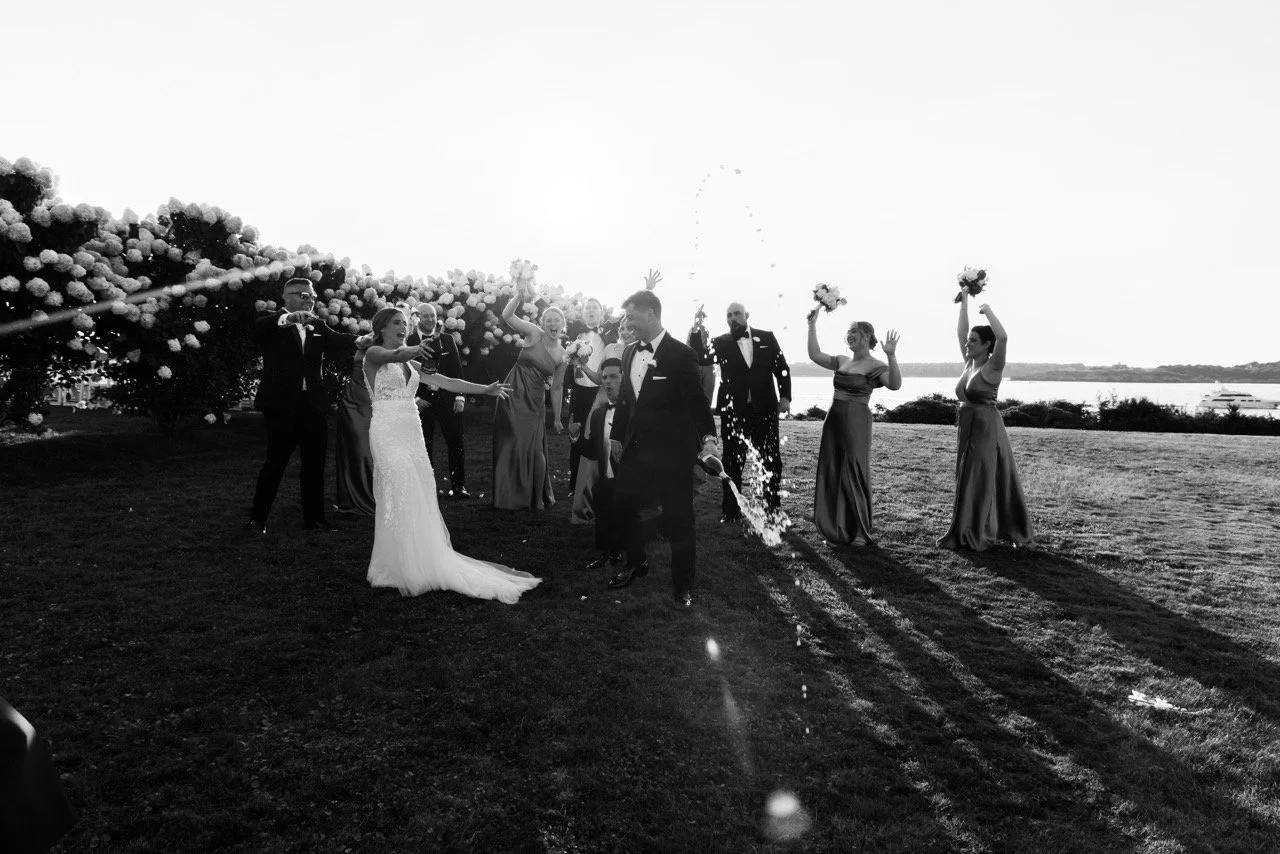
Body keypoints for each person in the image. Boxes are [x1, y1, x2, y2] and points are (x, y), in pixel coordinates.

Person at [362, 307, 538, 601]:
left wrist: (486, 388)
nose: (403, 327)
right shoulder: (373, 354)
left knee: (419, 491)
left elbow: (447, 382)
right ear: (381, 327)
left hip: (411, 431)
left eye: (406, 323)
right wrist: (417, 347)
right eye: (397, 323)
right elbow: (393, 356)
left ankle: (420, 559)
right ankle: (395, 563)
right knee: (398, 490)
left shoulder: (413, 366)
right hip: (387, 431)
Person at [606, 271, 719, 607]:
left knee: (679, 519)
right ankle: (636, 561)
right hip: (637, 450)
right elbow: (626, 400)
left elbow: (698, 404)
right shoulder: (627, 353)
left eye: (631, 316)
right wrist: (615, 437)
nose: (627, 323)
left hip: (673, 453)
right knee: (623, 504)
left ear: (651, 313)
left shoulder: (681, 355)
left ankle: (682, 585)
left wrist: (709, 439)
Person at [248, 277, 368, 534]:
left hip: (313, 405)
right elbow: (260, 328)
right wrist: (290, 319)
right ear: (287, 296)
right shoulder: (271, 321)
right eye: (304, 296)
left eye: (312, 297)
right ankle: (257, 518)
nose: (310, 300)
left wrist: (363, 340)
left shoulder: (318, 325)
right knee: (275, 462)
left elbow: (340, 340)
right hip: (280, 405)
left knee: (315, 464)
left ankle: (315, 520)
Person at [937, 295, 1033, 550]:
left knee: (982, 476)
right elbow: (959, 333)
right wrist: (964, 302)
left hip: (986, 427)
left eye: (973, 340)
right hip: (967, 426)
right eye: (968, 340)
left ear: (986, 345)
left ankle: (981, 530)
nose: (967, 343)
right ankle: (965, 527)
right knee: (967, 477)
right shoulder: (969, 362)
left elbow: (1003, 338)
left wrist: (988, 310)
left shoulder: (993, 367)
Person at [806, 310, 901, 547]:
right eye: (848, 331)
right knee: (834, 469)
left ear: (868, 337)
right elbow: (815, 354)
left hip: (857, 420)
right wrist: (812, 325)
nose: (850, 335)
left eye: (855, 331)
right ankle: (837, 528)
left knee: (854, 470)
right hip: (834, 419)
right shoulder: (842, 360)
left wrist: (891, 356)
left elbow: (895, 385)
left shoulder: (875, 364)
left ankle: (859, 530)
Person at [711, 302, 792, 521]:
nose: (732, 318)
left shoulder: (767, 338)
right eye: (728, 315)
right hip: (733, 412)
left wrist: (785, 397)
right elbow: (701, 358)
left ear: (747, 315)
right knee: (732, 462)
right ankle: (731, 511)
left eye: (737, 314)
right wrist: (697, 331)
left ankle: (772, 509)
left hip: (764, 409)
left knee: (771, 460)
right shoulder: (719, 342)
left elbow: (782, 368)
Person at [492, 289, 568, 510]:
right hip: (511, 395)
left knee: (536, 450)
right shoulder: (533, 334)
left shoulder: (563, 355)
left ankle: (536, 498)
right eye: (549, 320)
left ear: (563, 324)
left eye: (557, 321)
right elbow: (507, 316)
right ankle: (508, 493)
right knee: (511, 443)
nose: (553, 324)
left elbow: (557, 387)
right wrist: (518, 295)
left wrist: (555, 417)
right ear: (543, 323)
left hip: (535, 402)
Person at [408, 304, 471, 499]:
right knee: (423, 445)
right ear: (418, 317)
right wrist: (415, 399)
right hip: (420, 402)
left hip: (447, 398)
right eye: (425, 316)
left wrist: (460, 396)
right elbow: (402, 373)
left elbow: (456, 370)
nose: (429, 320)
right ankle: (426, 489)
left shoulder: (447, 339)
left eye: (432, 316)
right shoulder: (407, 341)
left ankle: (459, 487)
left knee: (455, 443)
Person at [578, 358, 629, 570]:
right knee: (604, 513)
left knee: (624, 516)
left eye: (613, 377)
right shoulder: (599, 415)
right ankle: (609, 554)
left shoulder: (633, 414)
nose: (607, 382)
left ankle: (627, 555)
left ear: (624, 379)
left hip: (627, 479)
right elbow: (592, 451)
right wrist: (575, 438)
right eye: (605, 377)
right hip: (604, 477)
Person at [565, 297, 617, 489]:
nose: (591, 310)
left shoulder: (610, 330)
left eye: (595, 307)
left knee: (599, 435)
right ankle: (574, 485)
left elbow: (627, 317)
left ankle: (598, 481)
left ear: (601, 313)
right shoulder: (575, 330)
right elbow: (550, 311)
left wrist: (649, 289)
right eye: (588, 308)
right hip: (578, 392)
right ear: (583, 312)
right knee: (576, 434)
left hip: (599, 392)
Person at [333, 347, 375, 515]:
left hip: (369, 403)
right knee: (350, 450)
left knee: (365, 450)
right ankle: (349, 500)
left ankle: (368, 497)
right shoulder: (363, 341)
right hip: (351, 401)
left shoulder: (389, 344)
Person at [686, 304, 716, 404]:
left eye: (703, 316)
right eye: (700, 316)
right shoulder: (692, 330)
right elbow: (690, 344)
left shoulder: (707, 330)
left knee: (707, 399)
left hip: (708, 367)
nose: (701, 318)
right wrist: (696, 323)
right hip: (694, 366)